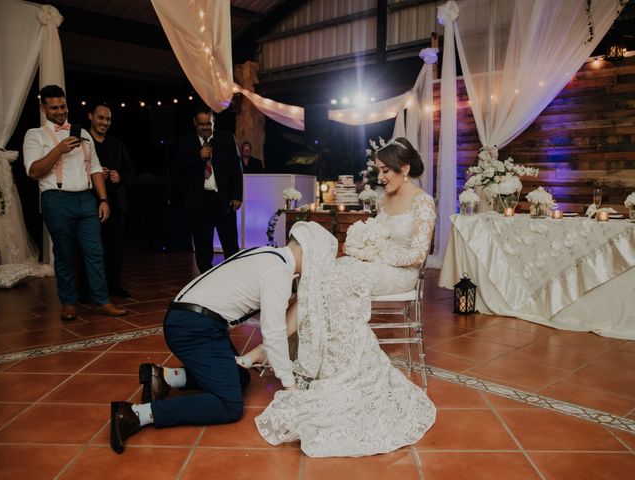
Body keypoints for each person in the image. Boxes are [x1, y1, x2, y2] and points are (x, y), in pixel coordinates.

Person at [242, 137, 437, 457]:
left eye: (387, 171)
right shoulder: (384, 199)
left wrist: (374, 250)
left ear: (405, 169)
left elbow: (416, 255)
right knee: (321, 275)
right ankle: (281, 350)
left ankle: (340, 369)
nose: (381, 177)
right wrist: (363, 247)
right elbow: (373, 233)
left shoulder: (423, 202)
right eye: (379, 171)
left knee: (336, 280)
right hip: (372, 264)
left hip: (398, 272)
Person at [108, 240, 304, 454]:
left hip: (191, 318)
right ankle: (135, 414)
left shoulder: (269, 253)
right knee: (229, 406)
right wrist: (289, 385)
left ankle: (164, 377)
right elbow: (274, 333)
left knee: (240, 377)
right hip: (194, 327)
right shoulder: (279, 271)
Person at [23, 85, 126, 321]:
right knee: (65, 253)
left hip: (86, 198)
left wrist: (103, 199)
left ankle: (101, 301)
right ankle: (68, 303)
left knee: (95, 252)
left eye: (63, 106)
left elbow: (96, 168)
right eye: (54, 107)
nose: (60, 111)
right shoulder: (35, 135)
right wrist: (59, 149)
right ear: (43, 108)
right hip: (56, 199)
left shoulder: (84, 134)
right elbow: (33, 171)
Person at [175, 106, 243, 273]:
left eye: (208, 123)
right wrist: (197, 157)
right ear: (195, 123)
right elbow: (177, 169)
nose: (205, 127)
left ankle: (234, 280)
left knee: (231, 245)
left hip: (224, 200)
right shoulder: (185, 142)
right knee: (203, 247)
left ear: (213, 122)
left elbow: (236, 169)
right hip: (199, 202)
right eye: (201, 124)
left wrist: (237, 196)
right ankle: (207, 280)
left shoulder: (227, 138)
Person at [79, 102, 134, 298]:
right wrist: (93, 176)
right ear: (90, 117)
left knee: (115, 249)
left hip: (117, 205)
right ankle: (86, 290)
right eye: (101, 118)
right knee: (89, 249)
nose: (104, 122)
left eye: (108, 119)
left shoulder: (117, 144)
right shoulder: (81, 143)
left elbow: (130, 171)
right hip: (88, 203)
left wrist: (120, 176)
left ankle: (114, 286)